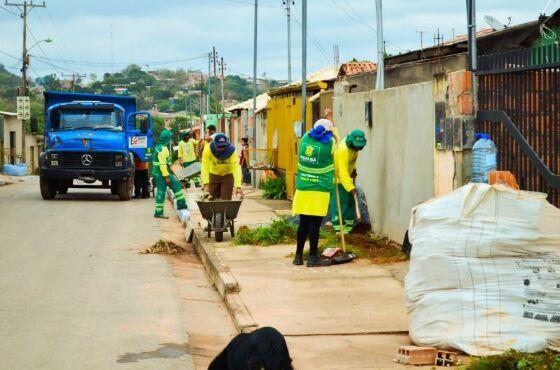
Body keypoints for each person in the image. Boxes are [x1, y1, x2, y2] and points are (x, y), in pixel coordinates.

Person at [292, 119, 336, 267]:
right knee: (315, 224)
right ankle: (312, 257)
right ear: (329, 131)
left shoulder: (305, 138)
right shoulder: (330, 143)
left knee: (303, 222)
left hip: (303, 187)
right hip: (319, 189)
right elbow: (335, 155)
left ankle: (298, 257)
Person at [330, 129, 367, 233]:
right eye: (357, 145)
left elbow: (352, 162)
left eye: (360, 146)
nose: (358, 148)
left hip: (347, 179)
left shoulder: (354, 148)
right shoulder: (343, 150)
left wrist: (354, 170)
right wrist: (351, 188)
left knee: (350, 204)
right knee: (341, 204)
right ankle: (339, 231)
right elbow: (342, 172)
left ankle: (348, 230)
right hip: (338, 180)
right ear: (351, 141)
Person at [152, 130, 187, 219]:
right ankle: (181, 204)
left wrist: (175, 165)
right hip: (162, 174)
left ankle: (158, 211)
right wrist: (167, 177)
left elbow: (168, 161)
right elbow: (163, 165)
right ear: (167, 139)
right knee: (176, 185)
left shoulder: (160, 147)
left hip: (158, 173)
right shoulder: (163, 149)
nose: (171, 140)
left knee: (161, 190)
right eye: (170, 138)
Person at [201, 133, 244, 200]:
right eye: (219, 146)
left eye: (223, 146)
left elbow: (236, 168)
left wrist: (238, 186)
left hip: (227, 176)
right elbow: (205, 167)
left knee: (226, 200)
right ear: (214, 144)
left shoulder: (232, 151)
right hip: (213, 175)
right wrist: (206, 184)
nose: (221, 149)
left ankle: (225, 210)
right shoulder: (208, 149)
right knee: (212, 199)